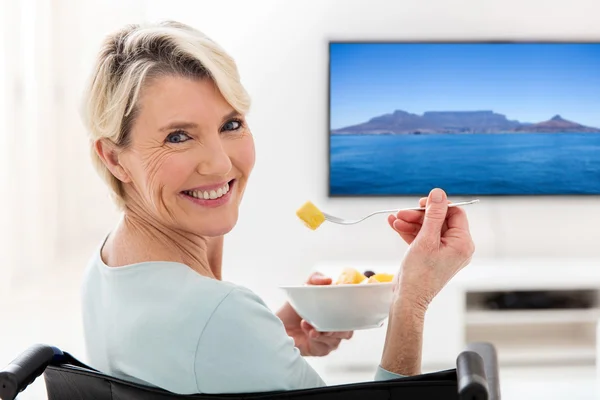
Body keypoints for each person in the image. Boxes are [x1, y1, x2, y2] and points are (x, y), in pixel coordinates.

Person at [80, 20, 475, 395]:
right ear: (115, 159)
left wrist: (272, 338)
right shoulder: (221, 315)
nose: (219, 163)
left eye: (231, 125)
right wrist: (412, 300)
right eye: (178, 136)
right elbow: (210, 326)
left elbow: (191, 352)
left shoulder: (105, 267)